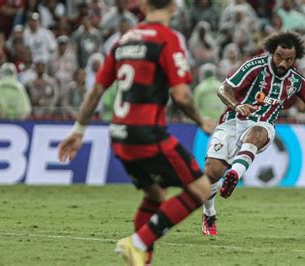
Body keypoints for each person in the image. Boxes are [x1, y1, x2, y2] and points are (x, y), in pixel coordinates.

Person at [57, 1, 214, 265]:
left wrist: (79, 130)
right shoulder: (168, 38)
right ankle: (137, 243)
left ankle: (141, 259)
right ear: (174, 7)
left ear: (142, 6)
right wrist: (201, 120)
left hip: (119, 135)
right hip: (148, 134)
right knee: (201, 189)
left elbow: (96, 90)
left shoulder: (124, 40)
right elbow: (182, 95)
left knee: (155, 195)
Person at [201, 31, 305, 238]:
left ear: (296, 58)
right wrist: (236, 105)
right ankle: (209, 213)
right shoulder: (254, 66)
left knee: (256, 132)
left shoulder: (297, 82)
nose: (283, 63)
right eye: (279, 58)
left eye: (289, 60)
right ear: (272, 53)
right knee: (211, 173)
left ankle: (234, 174)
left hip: (263, 126)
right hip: (232, 122)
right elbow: (223, 89)